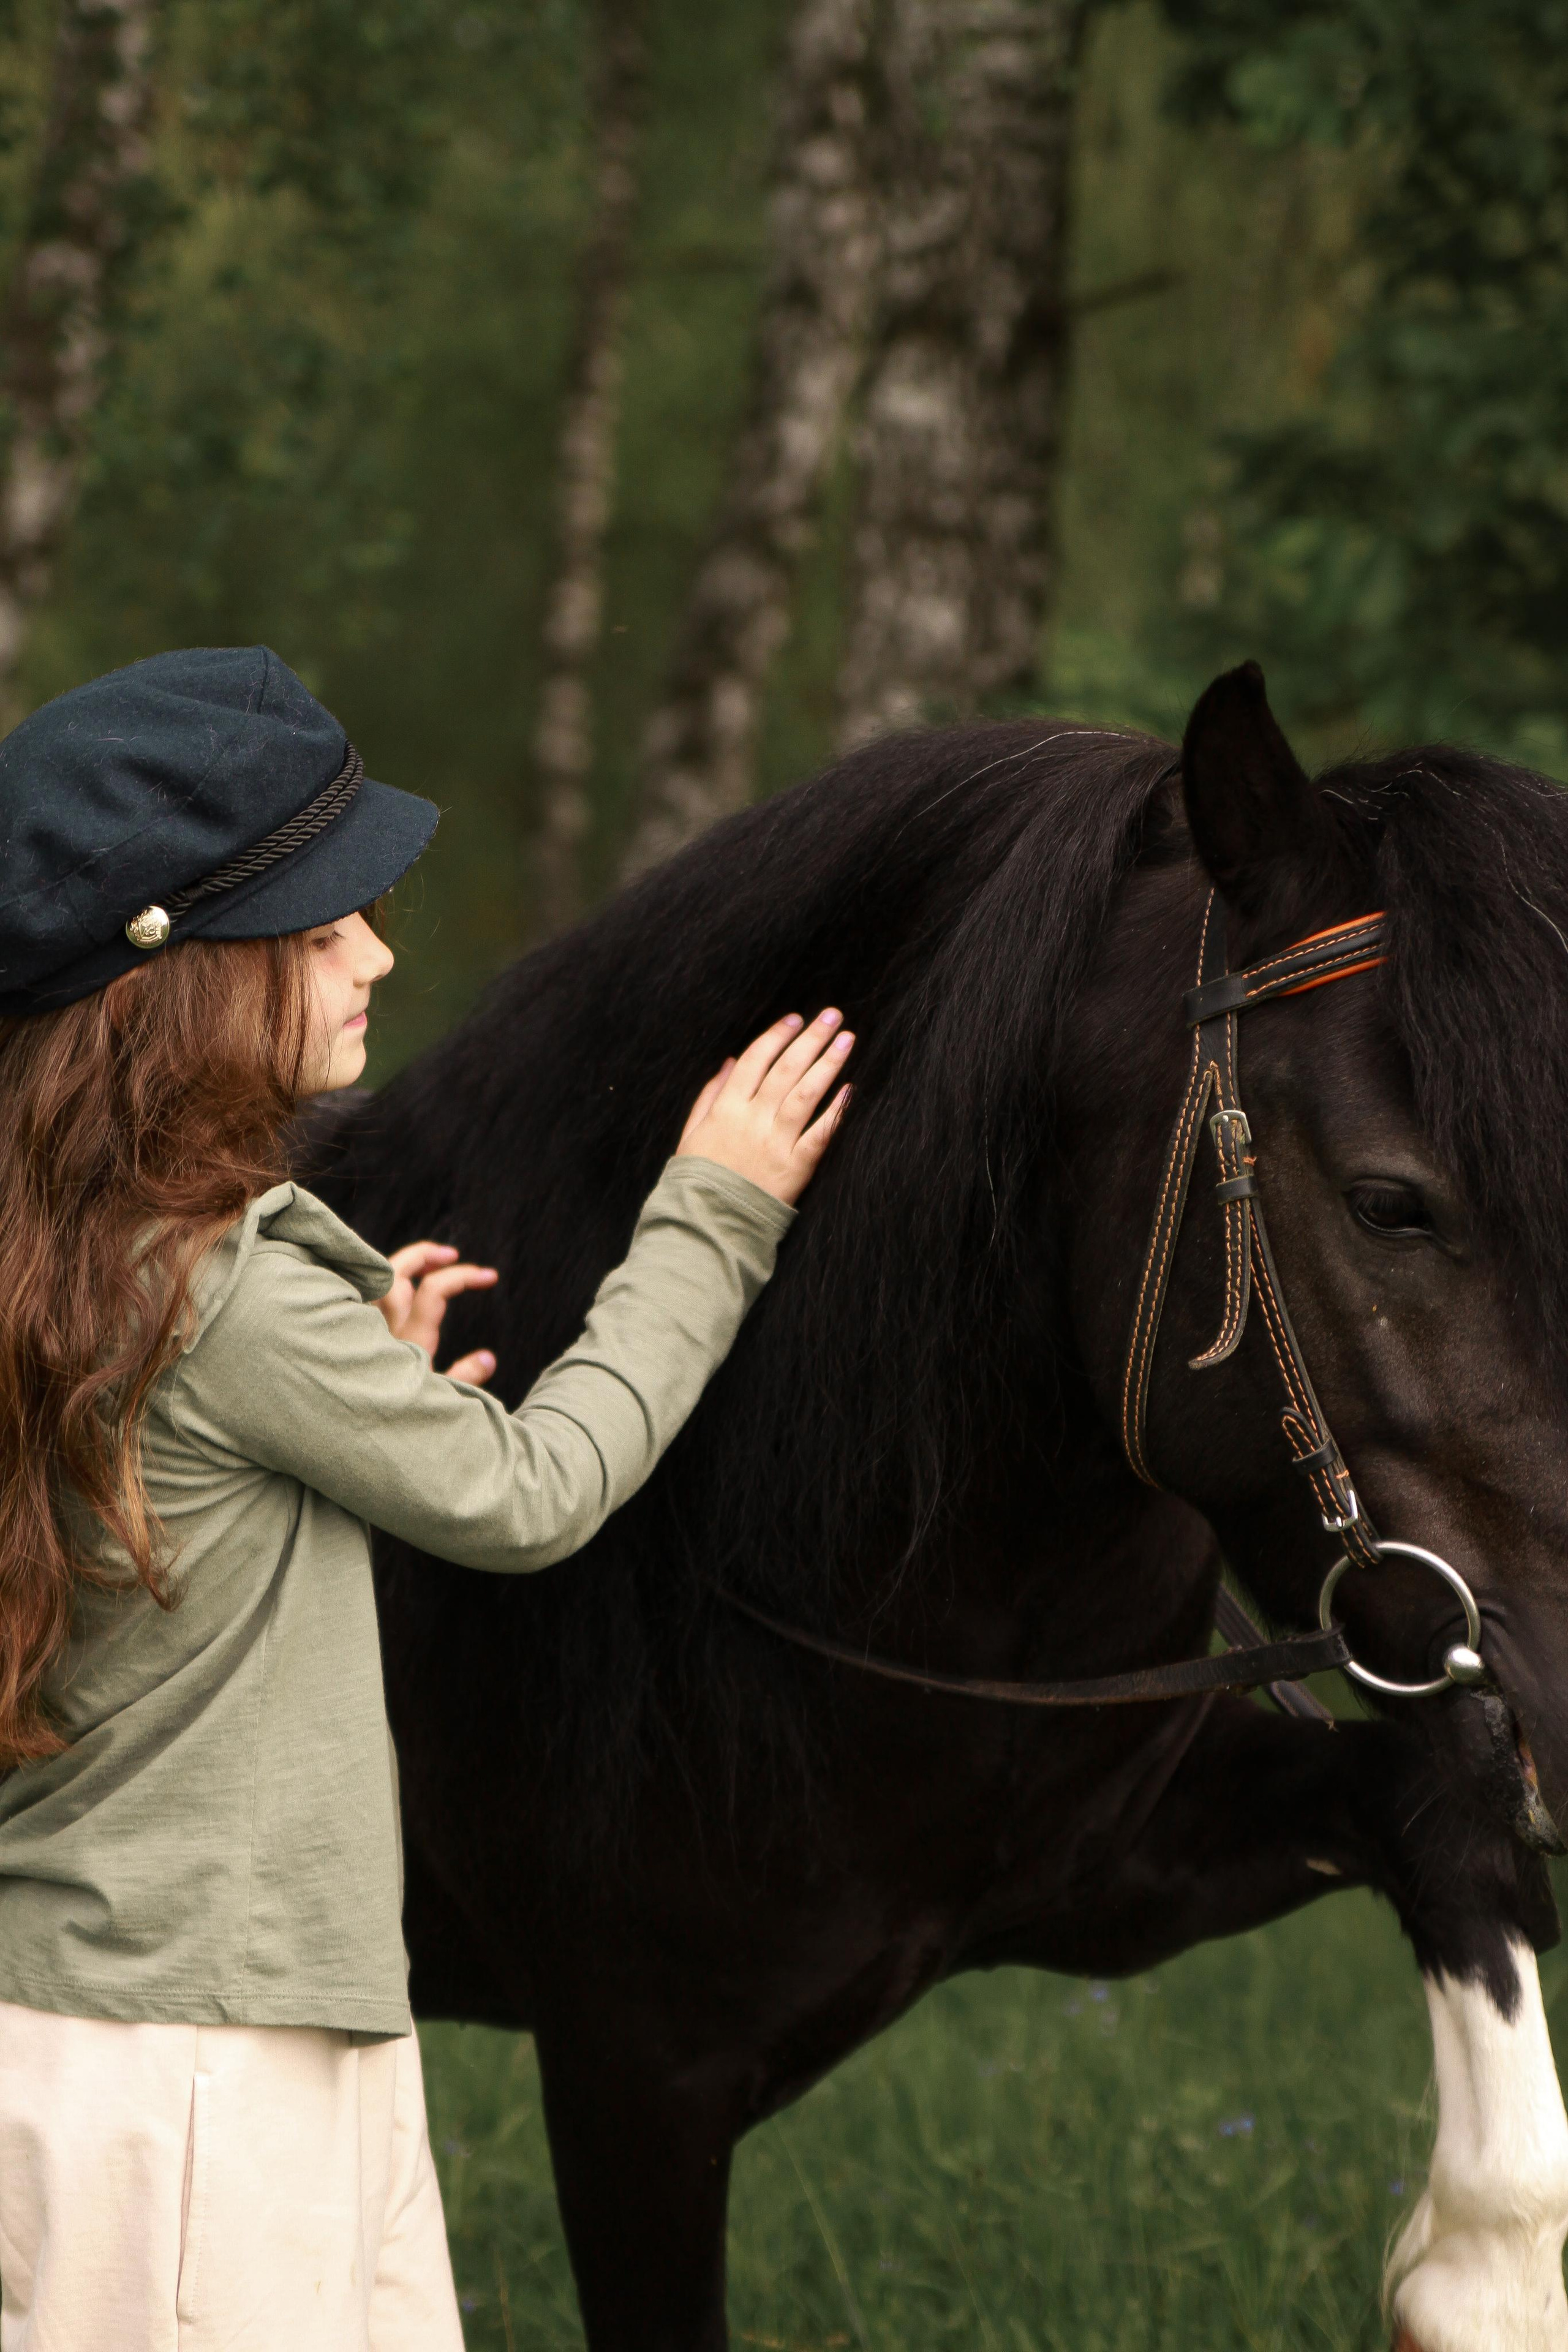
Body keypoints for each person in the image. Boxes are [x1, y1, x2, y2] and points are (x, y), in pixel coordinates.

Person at [0, 646, 853, 2348]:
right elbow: (537, 1495)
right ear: (192, 978)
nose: (380, 949)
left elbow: (169, 1535)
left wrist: (357, 1394)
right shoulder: (228, 1293)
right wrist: (713, 1208)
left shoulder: (84, 1256)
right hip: (204, 2083)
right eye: (326, 926)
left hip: (130, 2027)